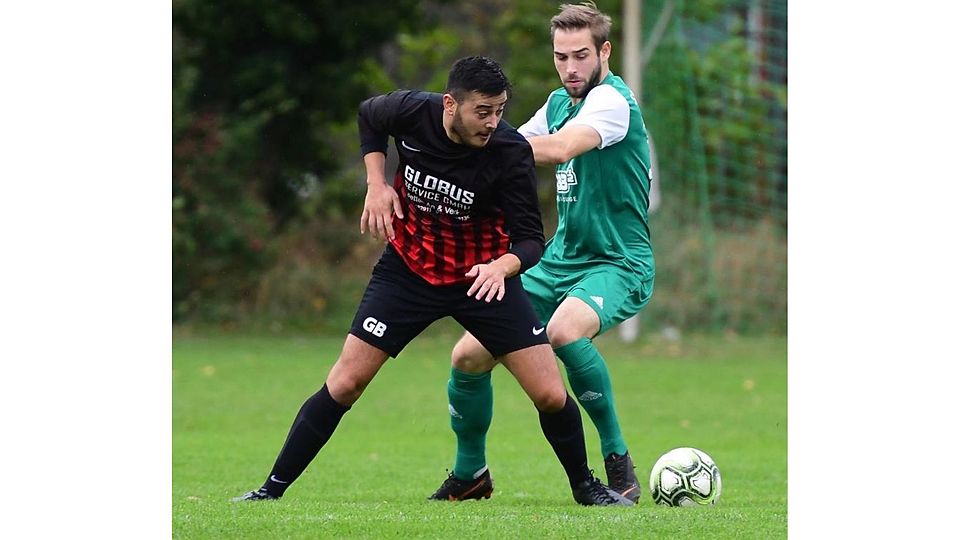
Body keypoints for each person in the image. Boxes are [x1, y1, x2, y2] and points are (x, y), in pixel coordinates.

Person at [232, 56, 632, 507]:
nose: (493, 121)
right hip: (408, 272)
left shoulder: (509, 151)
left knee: (549, 392)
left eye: (500, 110)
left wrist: (503, 267)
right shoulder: (411, 111)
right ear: (449, 104)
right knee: (344, 383)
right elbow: (369, 114)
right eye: (483, 111)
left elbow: (529, 241)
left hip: (482, 281)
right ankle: (270, 491)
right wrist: (376, 183)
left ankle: (586, 488)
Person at [432, 3, 655, 504]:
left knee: (563, 333)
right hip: (557, 261)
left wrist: (477, 139)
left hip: (618, 262)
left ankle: (618, 461)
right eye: (561, 57)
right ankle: (471, 475)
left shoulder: (613, 102)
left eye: (580, 56)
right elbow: (515, 141)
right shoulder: (557, 103)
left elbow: (554, 150)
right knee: (466, 356)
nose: (570, 68)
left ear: (604, 51)